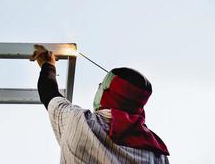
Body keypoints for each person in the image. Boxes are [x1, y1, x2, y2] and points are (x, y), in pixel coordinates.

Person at [31, 45, 170, 164]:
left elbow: (48, 92)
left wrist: (47, 63)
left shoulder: (81, 122)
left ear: (108, 94)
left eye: (101, 86)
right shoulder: (158, 154)